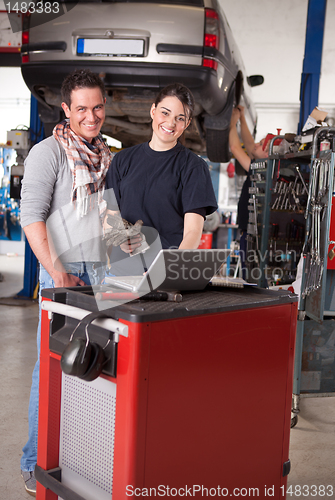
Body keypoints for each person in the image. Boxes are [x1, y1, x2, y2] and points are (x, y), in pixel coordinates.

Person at [20, 69, 113, 495]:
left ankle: (80, 456)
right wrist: (56, 271)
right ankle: (34, 462)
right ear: (65, 109)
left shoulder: (107, 155)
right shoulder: (48, 152)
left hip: (103, 269)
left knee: (93, 364)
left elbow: (109, 219)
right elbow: (31, 216)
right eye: (82, 109)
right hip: (66, 270)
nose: (91, 116)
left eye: (97, 107)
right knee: (54, 367)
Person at [102, 83, 218, 275]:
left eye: (180, 118)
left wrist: (173, 270)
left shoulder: (193, 167)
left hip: (165, 273)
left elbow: (192, 232)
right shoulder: (123, 160)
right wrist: (119, 237)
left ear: (187, 123)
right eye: (165, 113)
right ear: (153, 111)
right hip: (121, 273)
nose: (171, 123)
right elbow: (111, 215)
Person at [229, 105, 269, 279]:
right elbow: (249, 143)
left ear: (267, 154)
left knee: (250, 277)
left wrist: (231, 123)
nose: (256, 143)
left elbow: (236, 148)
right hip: (251, 231)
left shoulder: (260, 170)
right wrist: (242, 117)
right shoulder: (264, 166)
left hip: (252, 234)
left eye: (261, 144)